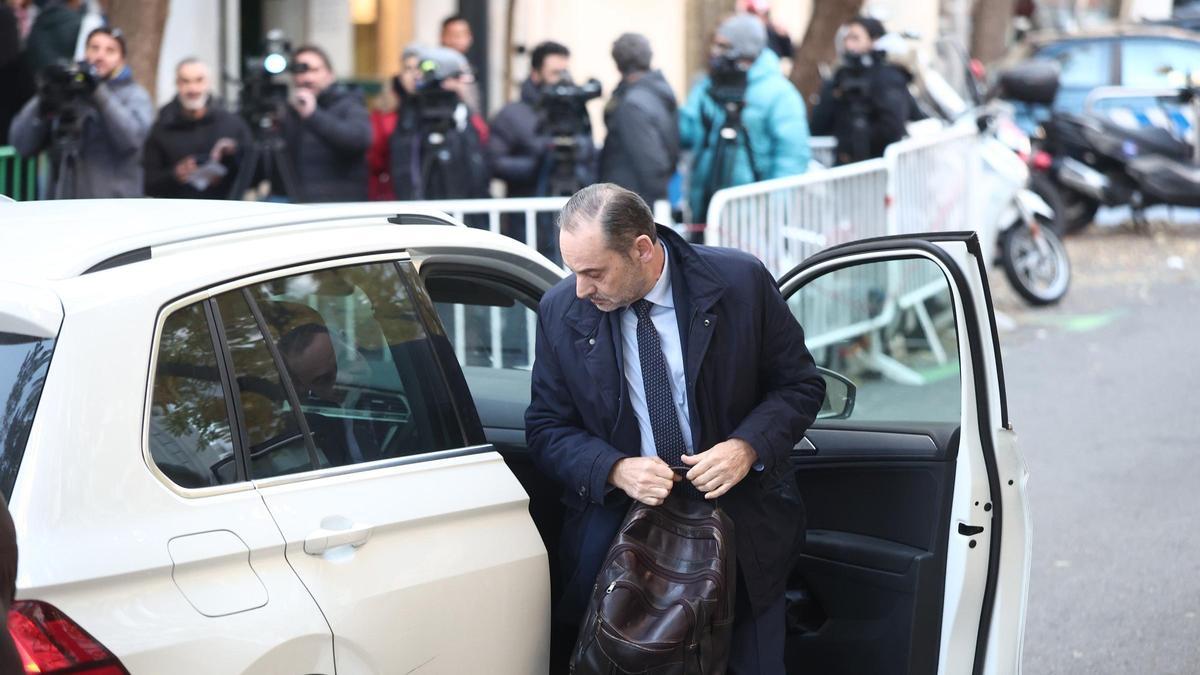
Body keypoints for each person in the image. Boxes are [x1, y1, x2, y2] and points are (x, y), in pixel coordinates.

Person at [526, 183, 826, 674]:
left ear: (642, 249)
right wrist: (615, 468)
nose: (581, 288)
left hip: (741, 527)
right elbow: (545, 428)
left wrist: (746, 447)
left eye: (594, 272)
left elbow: (798, 386)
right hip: (623, 540)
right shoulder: (562, 309)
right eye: (573, 271)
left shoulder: (740, 282)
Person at [679, 14, 810, 226]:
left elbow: (791, 156)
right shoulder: (708, 85)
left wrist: (774, 209)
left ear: (743, 48)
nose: (715, 52)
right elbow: (687, 131)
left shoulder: (779, 93)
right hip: (705, 207)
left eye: (723, 45)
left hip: (754, 214)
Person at [8, 26, 152, 199]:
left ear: (122, 60)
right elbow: (20, 144)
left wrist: (98, 92)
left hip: (113, 210)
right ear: (85, 53)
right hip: (64, 207)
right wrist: (44, 98)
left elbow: (132, 141)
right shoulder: (70, 93)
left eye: (110, 50)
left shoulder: (135, 96)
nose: (100, 56)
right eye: (94, 48)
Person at [487, 40, 596, 198]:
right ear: (535, 74)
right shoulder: (512, 114)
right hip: (529, 210)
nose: (563, 79)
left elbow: (590, 153)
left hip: (574, 205)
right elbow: (494, 163)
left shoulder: (576, 113)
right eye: (555, 73)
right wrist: (538, 163)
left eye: (565, 72)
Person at [809, 16, 917, 165]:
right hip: (846, 166)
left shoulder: (887, 77)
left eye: (855, 38)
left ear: (874, 41)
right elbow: (819, 124)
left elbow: (892, 127)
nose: (848, 44)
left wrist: (857, 139)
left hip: (876, 166)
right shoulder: (840, 76)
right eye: (846, 38)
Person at [387, 46, 489, 200]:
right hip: (424, 214)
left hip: (463, 211)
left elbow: (475, 169)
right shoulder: (411, 117)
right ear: (445, 81)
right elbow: (407, 173)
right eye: (459, 77)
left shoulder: (463, 116)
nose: (467, 85)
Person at [142, 58, 251, 199]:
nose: (193, 89)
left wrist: (234, 152)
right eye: (185, 81)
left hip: (224, 211)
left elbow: (254, 174)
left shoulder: (232, 124)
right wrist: (175, 174)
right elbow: (147, 182)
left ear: (209, 83)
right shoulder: (161, 127)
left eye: (199, 80)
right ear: (177, 84)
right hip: (178, 211)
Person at [599, 32, 679, 209]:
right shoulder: (657, 91)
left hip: (632, 203)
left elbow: (652, 165)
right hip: (639, 200)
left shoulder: (633, 104)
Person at [282, 44, 372, 202]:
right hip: (297, 207)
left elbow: (359, 139)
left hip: (338, 209)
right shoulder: (290, 113)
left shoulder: (349, 103)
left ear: (330, 75)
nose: (308, 78)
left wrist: (313, 115)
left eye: (315, 70)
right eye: (301, 70)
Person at [439, 14, 482, 114]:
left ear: (470, 38)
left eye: (462, 35)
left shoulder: (469, 69)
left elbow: (475, 108)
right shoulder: (432, 63)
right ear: (442, 37)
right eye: (453, 35)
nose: (457, 40)